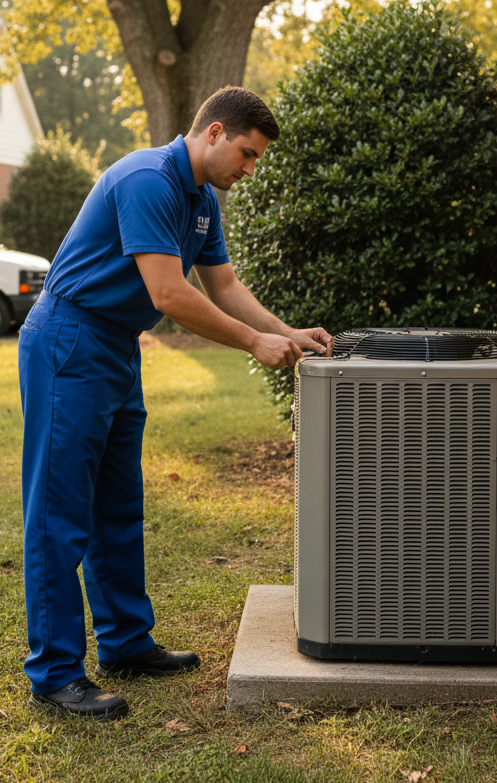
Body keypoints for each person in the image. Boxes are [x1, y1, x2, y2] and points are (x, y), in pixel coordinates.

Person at [18, 85, 330, 719]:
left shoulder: (201, 201)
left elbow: (224, 285)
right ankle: (54, 675)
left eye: (256, 161)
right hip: (69, 340)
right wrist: (251, 343)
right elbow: (167, 293)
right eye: (245, 154)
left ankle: (126, 644)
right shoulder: (146, 179)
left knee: (117, 504)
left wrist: (285, 332)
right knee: (59, 513)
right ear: (213, 132)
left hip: (115, 346)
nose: (248, 170)